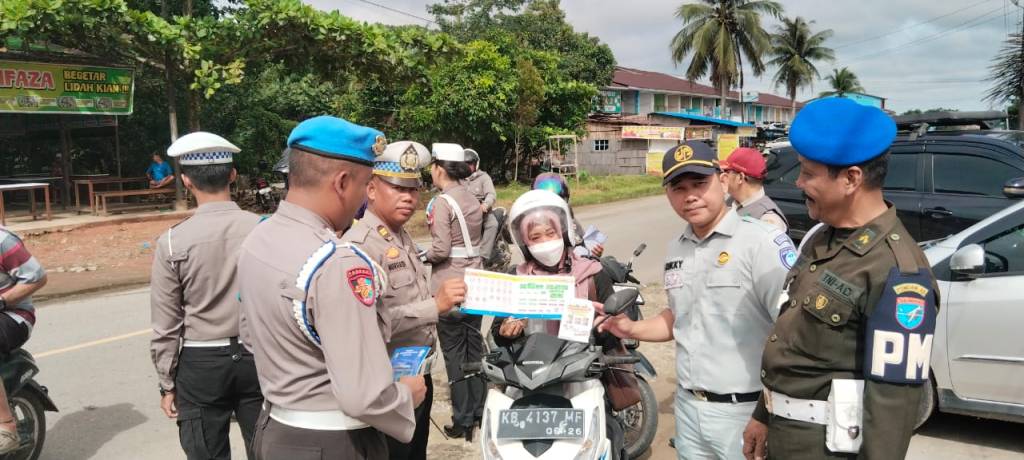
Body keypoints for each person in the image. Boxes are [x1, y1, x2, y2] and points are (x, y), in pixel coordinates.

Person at [742, 98, 939, 460]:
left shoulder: (897, 271)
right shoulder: (821, 238)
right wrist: (763, 414)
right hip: (785, 439)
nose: (798, 182)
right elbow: (793, 345)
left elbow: (892, 409)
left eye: (808, 173)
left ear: (851, 178)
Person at [237, 116, 426, 459]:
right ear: (341, 182)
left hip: (275, 429)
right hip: (335, 441)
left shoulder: (259, 237)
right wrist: (405, 396)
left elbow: (249, 336)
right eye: (364, 186)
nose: (363, 201)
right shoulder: (339, 263)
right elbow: (362, 396)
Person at [599, 141, 792, 460]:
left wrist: (767, 413)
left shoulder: (762, 242)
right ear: (668, 194)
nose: (690, 195)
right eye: (679, 187)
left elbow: (791, 332)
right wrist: (628, 327)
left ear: (723, 179)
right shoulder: (677, 247)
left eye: (700, 183)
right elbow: (679, 318)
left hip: (745, 411)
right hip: (689, 410)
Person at [342, 140, 466, 460]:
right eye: (398, 188)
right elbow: (366, 323)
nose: (409, 198)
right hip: (388, 382)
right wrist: (433, 306)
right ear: (370, 189)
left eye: (413, 189)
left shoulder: (400, 235)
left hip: (416, 373)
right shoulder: (361, 246)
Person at [489, 189, 628, 459]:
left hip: (581, 377)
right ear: (524, 242)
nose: (544, 242)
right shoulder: (515, 278)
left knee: (603, 438)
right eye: (535, 237)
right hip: (528, 381)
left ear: (563, 232)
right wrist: (506, 331)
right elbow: (497, 332)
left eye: (549, 234)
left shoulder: (591, 273)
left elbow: (614, 325)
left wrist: (601, 327)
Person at [149, 132, 263, 460]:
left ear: (186, 181)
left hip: (201, 366)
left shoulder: (171, 242)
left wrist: (167, 383)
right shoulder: (265, 229)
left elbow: (166, 324)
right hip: (260, 358)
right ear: (232, 174)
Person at [424, 143, 484, 441]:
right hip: (476, 281)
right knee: (475, 350)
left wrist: (421, 256)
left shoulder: (442, 202)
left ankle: (462, 420)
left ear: (438, 168)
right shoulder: (472, 195)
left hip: (450, 284)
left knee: (454, 356)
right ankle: (480, 412)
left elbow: (441, 249)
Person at [0, 226, 47, 453]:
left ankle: (6, 425)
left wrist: (2, 301)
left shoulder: (3, 241)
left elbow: (37, 278)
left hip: (12, 315)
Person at [532, 172, 604, 257]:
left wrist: (594, 252)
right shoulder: (529, 223)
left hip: (570, 266)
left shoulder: (570, 220)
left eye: (554, 205)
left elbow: (583, 243)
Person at [720, 147, 788, 232]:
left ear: (740, 177)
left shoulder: (767, 220)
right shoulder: (731, 201)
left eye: (726, 172)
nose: (722, 176)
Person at [462, 149, 499, 259]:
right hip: (463, 211)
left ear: (476, 164)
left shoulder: (484, 177)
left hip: (482, 211)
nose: (467, 166)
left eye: (469, 163)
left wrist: (485, 205)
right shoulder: (458, 179)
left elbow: (491, 194)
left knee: (492, 224)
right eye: (464, 164)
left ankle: (483, 256)